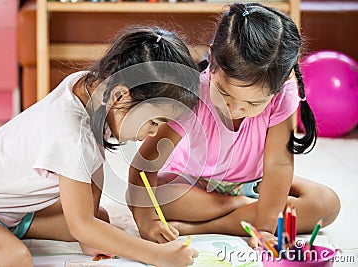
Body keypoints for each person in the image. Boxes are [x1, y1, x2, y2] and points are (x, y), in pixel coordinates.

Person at [0, 26, 200, 267]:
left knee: (100, 220)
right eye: (153, 121)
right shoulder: (71, 132)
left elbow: (93, 164)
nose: (153, 132)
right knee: (14, 258)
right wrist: (157, 255)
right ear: (120, 97)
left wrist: (92, 224)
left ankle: (4, 229)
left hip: (11, 209)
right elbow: (82, 226)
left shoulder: (94, 88)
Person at [127, 3, 340, 248]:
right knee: (150, 196)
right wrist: (147, 220)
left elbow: (278, 164)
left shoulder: (284, 94)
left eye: (252, 103)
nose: (235, 109)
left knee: (326, 203)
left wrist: (265, 228)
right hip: (195, 184)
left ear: (282, 84)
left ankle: (209, 226)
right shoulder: (194, 91)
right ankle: (240, 210)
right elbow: (144, 165)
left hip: (253, 185)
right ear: (213, 61)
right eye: (225, 94)